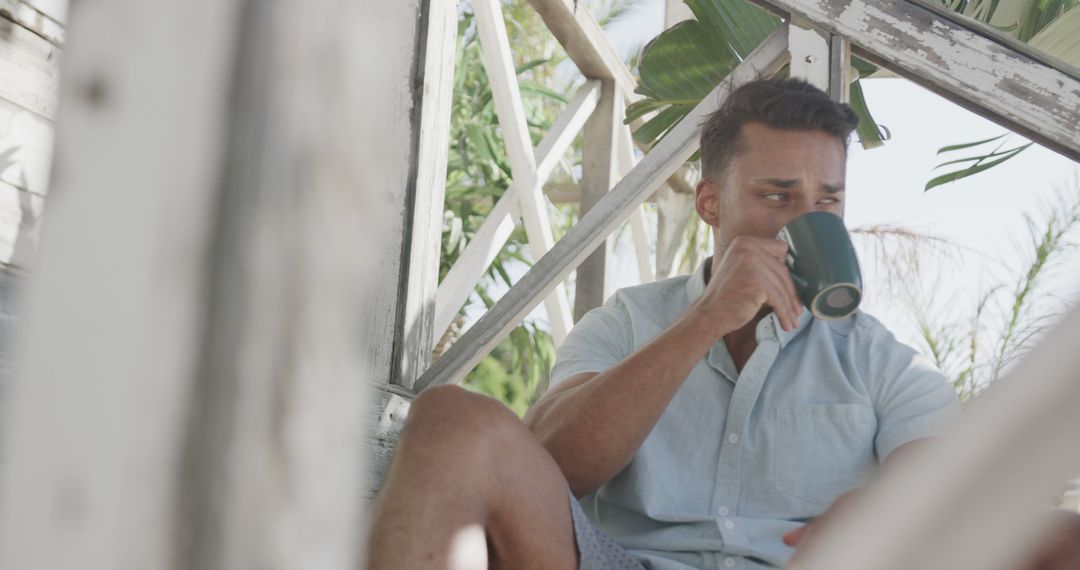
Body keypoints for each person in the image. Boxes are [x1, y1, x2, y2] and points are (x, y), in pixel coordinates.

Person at [365, 78, 1080, 569]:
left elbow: (947, 487)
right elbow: (555, 461)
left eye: (826, 201)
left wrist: (878, 512)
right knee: (451, 418)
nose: (806, 219)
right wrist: (703, 322)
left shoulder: (882, 361)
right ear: (711, 204)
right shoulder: (629, 320)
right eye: (778, 195)